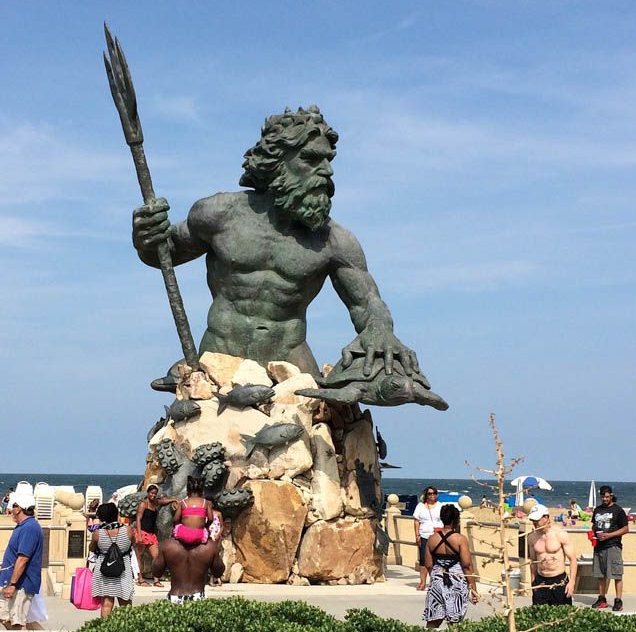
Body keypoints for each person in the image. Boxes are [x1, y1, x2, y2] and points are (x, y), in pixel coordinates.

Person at [129, 105, 444, 409]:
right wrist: (146, 237)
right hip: (218, 365)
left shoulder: (334, 241)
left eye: (329, 160)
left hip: (292, 372)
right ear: (278, 161)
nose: (326, 170)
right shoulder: (219, 214)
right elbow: (164, 255)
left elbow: (367, 304)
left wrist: (380, 330)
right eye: (310, 159)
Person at [0, 489, 45, 630]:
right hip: (17, 582)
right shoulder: (24, 526)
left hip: (22, 583)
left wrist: (12, 584)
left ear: (19, 509)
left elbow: (23, 558)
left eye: (13, 507)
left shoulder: (29, 528)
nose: (10, 511)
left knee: (17, 622)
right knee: (6, 616)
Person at [422, 504, 477, 627]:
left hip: (437, 577)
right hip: (456, 578)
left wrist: (437, 576)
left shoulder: (432, 539)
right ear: (456, 520)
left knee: (433, 619)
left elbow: (428, 564)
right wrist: (473, 588)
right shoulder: (460, 539)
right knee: (455, 619)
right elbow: (467, 565)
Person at [89, 502, 136, 617]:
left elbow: (92, 548)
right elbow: (134, 544)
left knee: (106, 603)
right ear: (116, 514)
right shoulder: (128, 531)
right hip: (123, 568)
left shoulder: (97, 534)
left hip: (105, 569)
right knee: (126, 603)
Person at [152, 532, 224, 604]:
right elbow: (218, 573)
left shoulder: (167, 545)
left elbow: (156, 572)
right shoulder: (209, 546)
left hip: (175, 597)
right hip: (198, 597)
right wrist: (216, 551)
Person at [526, 505, 576, 605]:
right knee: (539, 616)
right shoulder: (531, 537)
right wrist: (533, 582)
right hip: (540, 580)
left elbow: (573, 559)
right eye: (532, 520)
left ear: (546, 518)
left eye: (537, 519)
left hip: (559, 580)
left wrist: (572, 583)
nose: (534, 523)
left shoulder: (560, 534)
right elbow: (533, 561)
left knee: (562, 616)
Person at [590, 485, 628, 610]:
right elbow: (594, 525)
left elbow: (625, 529)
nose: (605, 499)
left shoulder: (618, 510)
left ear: (611, 496)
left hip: (613, 545)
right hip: (599, 546)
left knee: (616, 574)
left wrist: (609, 535)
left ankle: (618, 600)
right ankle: (602, 598)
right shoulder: (597, 510)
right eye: (602, 497)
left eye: (607, 497)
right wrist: (592, 535)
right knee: (600, 574)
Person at [412, 486, 444, 591]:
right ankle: (422, 582)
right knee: (423, 560)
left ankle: (435, 582)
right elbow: (416, 521)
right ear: (426, 495)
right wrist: (417, 535)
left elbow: (445, 519)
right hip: (424, 535)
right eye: (430, 493)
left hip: (437, 536)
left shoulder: (440, 506)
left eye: (434, 493)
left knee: (436, 560)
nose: (432, 495)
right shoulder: (420, 506)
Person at [134, 485, 166, 585]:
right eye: (152, 493)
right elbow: (138, 519)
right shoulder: (144, 504)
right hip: (142, 532)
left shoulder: (155, 503)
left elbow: (163, 501)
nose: (153, 495)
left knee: (156, 556)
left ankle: (156, 579)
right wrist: (139, 535)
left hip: (151, 534)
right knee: (139, 556)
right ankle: (140, 579)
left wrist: (173, 499)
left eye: (155, 493)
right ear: (148, 493)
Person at [172, 477, 214, 545]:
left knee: (176, 527)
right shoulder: (205, 503)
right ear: (202, 492)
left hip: (183, 534)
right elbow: (211, 519)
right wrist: (205, 526)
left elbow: (175, 519)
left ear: (187, 492)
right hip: (199, 535)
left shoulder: (183, 502)